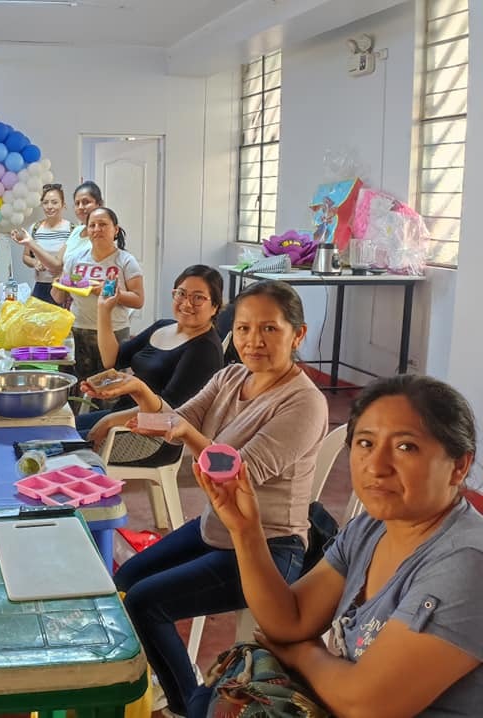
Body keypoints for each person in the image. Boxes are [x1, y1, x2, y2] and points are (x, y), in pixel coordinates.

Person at [85, 279, 328, 717]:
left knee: (145, 602)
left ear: (298, 335)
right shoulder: (232, 376)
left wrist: (186, 433)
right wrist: (133, 398)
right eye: (244, 329)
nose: (253, 340)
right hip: (215, 529)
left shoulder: (304, 403)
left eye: (269, 329)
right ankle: (164, 677)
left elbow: (237, 476)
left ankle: (191, 705)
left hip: (268, 548)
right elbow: (179, 417)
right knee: (127, 579)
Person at [188, 374, 483, 718]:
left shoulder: (466, 562)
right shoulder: (371, 528)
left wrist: (303, 655)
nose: (376, 466)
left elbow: (368, 703)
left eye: (406, 447)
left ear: (459, 466)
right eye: (365, 443)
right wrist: (246, 531)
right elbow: (289, 620)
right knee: (204, 699)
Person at [76, 265, 225, 458]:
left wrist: (109, 421)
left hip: (154, 437)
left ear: (215, 306)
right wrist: (104, 310)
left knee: (59, 447)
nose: (187, 304)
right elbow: (112, 359)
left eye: (198, 298)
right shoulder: (162, 326)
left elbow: (170, 412)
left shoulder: (205, 350)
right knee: (58, 429)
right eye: (181, 294)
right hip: (121, 415)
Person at [52, 206, 144, 403]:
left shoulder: (126, 261)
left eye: (103, 224)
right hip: (78, 330)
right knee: (78, 387)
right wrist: (58, 286)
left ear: (115, 230)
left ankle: (106, 420)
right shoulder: (75, 258)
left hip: (114, 332)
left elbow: (138, 299)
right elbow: (60, 296)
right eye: (92, 225)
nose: (96, 229)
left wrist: (109, 291)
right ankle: (77, 420)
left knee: (109, 389)